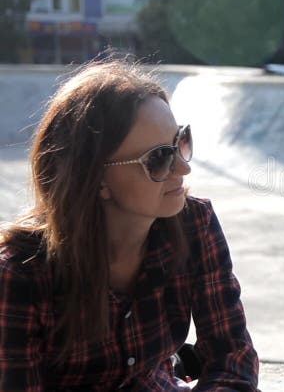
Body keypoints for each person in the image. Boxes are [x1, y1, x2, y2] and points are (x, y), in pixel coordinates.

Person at [0, 60, 259, 390]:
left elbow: (233, 358)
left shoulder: (195, 223)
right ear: (96, 178)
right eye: (158, 158)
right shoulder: (21, 273)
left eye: (181, 142)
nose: (183, 168)